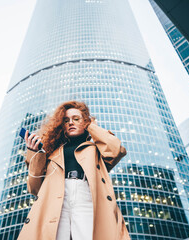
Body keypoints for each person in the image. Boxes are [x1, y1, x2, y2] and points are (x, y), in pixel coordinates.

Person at [17, 101, 130, 240]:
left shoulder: (95, 149)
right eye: (66, 120)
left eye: (76, 119)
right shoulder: (51, 153)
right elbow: (34, 188)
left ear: (86, 122)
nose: (71, 122)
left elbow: (116, 150)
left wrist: (91, 126)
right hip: (57, 199)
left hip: (86, 196)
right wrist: (34, 152)